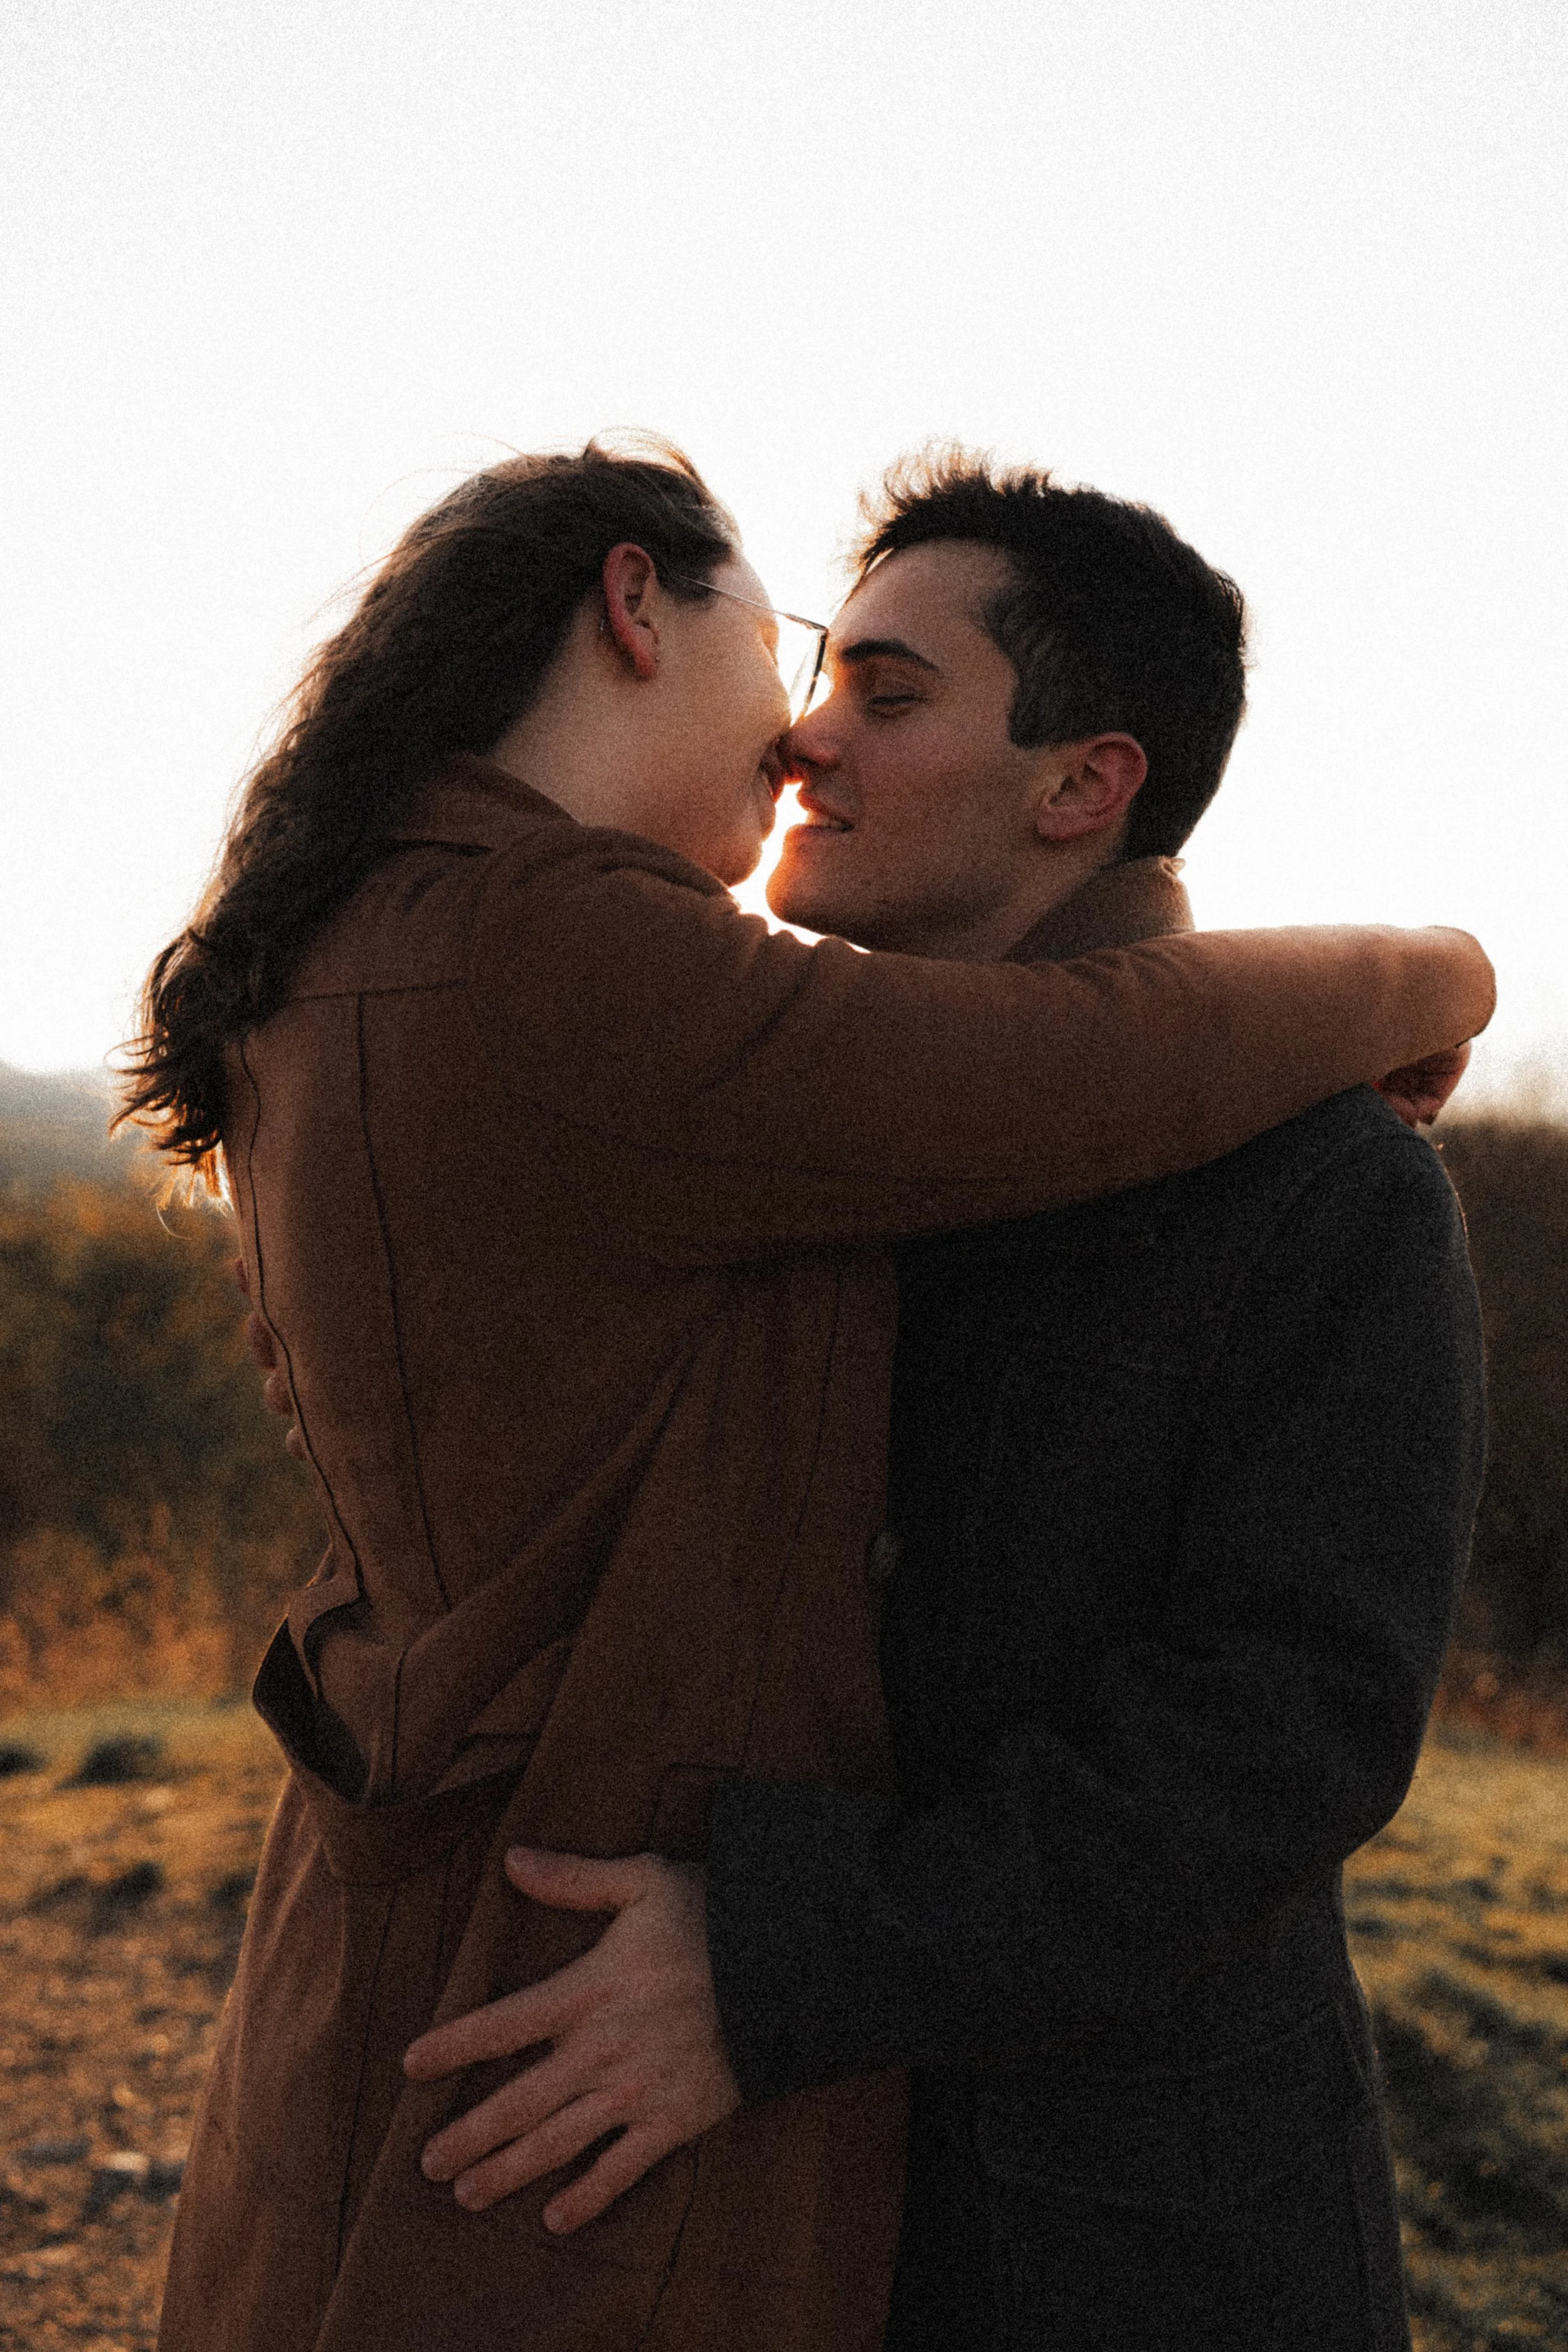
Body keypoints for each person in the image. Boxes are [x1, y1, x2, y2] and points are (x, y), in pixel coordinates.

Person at [125, 437, 1492, 2352]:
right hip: (712, 2192)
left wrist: (784, 1957)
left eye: (885, 687)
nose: (802, 742)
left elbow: (1283, 1737)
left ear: (1084, 786)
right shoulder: (751, 1112)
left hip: (1108, 2233)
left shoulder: (1317, 1189)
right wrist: (1433, 966)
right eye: (810, 664)